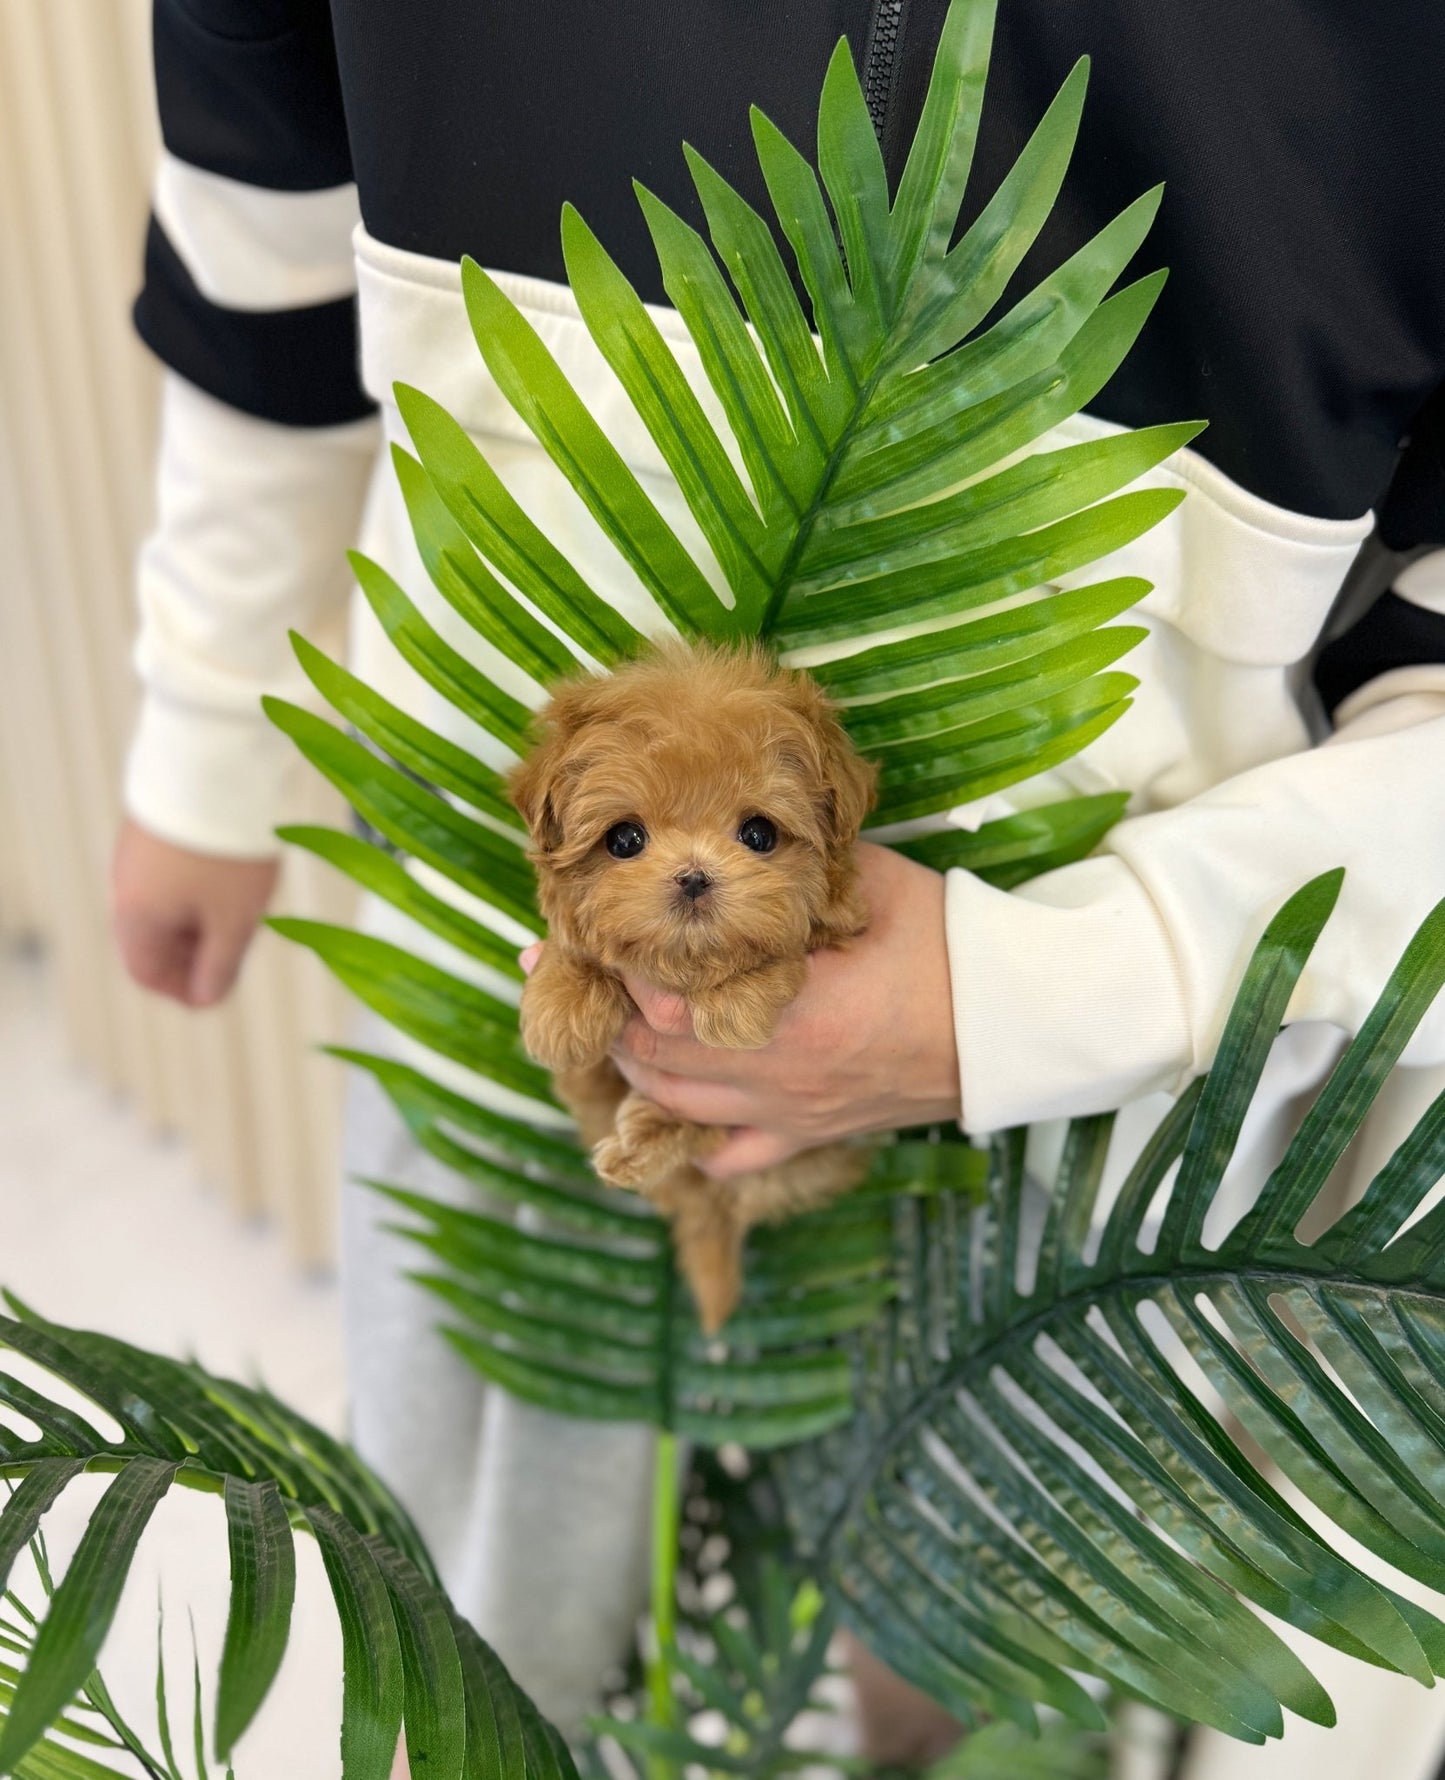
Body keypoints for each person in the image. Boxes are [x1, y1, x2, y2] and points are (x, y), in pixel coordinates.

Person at [111, 1, 1445, 1772]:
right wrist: (206, 725)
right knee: (502, 1644)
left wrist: (1060, 986)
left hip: (1118, 1083)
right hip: (504, 1000)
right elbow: (258, 207)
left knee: (1008, 1677)